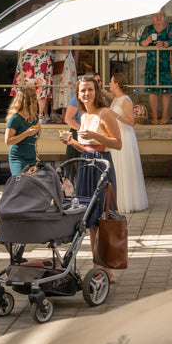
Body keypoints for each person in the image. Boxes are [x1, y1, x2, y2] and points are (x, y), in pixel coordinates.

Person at [59, 75, 121, 282]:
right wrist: (71, 142)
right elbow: (86, 146)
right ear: (78, 94)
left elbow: (117, 143)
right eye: (82, 90)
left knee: (103, 217)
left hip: (101, 166)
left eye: (90, 90)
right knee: (91, 219)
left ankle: (102, 266)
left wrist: (97, 135)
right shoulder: (83, 116)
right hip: (85, 163)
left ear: (97, 92)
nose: (86, 94)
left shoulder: (106, 113)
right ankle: (101, 265)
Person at [107, 73, 148, 213]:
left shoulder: (125, 100)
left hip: (125, 136)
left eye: (111, 82)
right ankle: (116, 200)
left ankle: (127, 201)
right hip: (116, 134)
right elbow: (106, 94)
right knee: (116, 168)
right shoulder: (115, 98)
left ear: (117, 84)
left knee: (124, 167)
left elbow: (131, 121)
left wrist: (116, 115)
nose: (110, 84)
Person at [139, 9, 172, 124]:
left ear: (164, 17)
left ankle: (165, 116)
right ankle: (155, 117)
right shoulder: (148, 29)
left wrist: (164, 44)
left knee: (166, 90)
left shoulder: (169, 29)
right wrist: (147, 40)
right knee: (153, 90)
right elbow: (141, 43)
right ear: (152, 17)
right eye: (156, 15)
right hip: (152, 64)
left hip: (166, 64)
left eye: (160, 14)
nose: (158, 17)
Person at [5, 87, 41, 176]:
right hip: (18, 157)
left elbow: (39, 131)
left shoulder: (34, 117)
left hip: (31, 155)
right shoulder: (15, 118)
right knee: (20, 180)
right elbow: (8, 141)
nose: (36, 101)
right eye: (34, 99)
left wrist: (33, 142)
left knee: (33, 183)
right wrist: (26, 134)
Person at [51, 37, 78, 122]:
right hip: (61, 59)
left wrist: (54, 47)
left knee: (65, 86)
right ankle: (64, 115)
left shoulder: (65, 32)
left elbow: (65, 49)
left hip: (64, 59)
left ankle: (66, 115)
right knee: (62, 86)